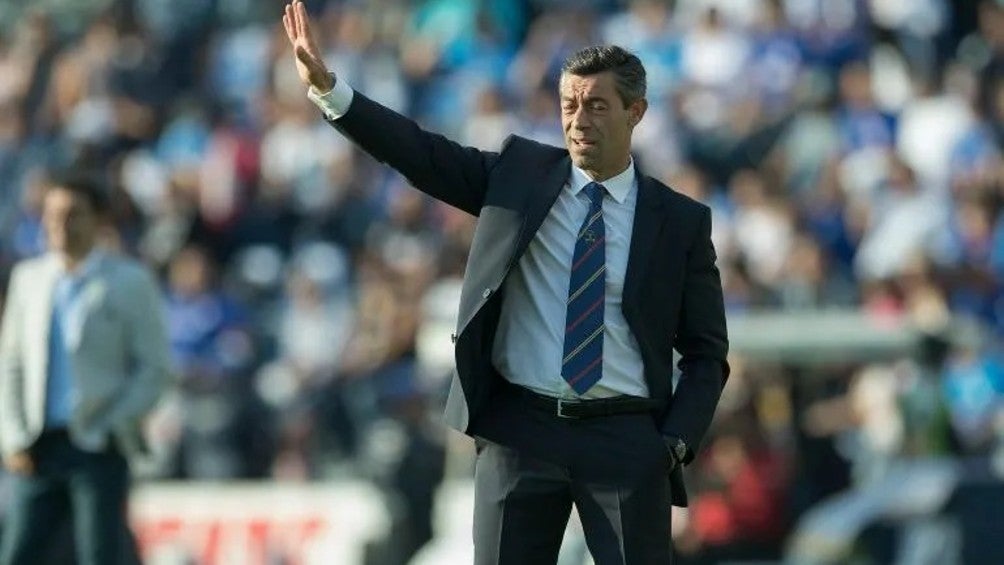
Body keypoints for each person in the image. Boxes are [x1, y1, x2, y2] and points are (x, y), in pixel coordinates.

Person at [283, 2, 729, 563]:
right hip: (521, 432)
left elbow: (706, 353)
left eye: (597, 105)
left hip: (623, 437)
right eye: (569, 105)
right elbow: (421, 153)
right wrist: (330, 90)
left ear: (635, 111)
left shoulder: (680, 222)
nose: (578, 121)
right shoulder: (520, 177)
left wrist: (672, 443)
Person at [0, 173, 171, 565]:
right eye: (51, 215)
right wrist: (12, 436)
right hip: (39, 445)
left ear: (99, 219)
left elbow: (154, 369)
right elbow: (11, 365)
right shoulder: (29, 279)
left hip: (98, 444)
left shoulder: (129, 281)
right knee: (17, 554)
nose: (59, 225)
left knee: (100, 554)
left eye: (72, 214)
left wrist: (112, 423)